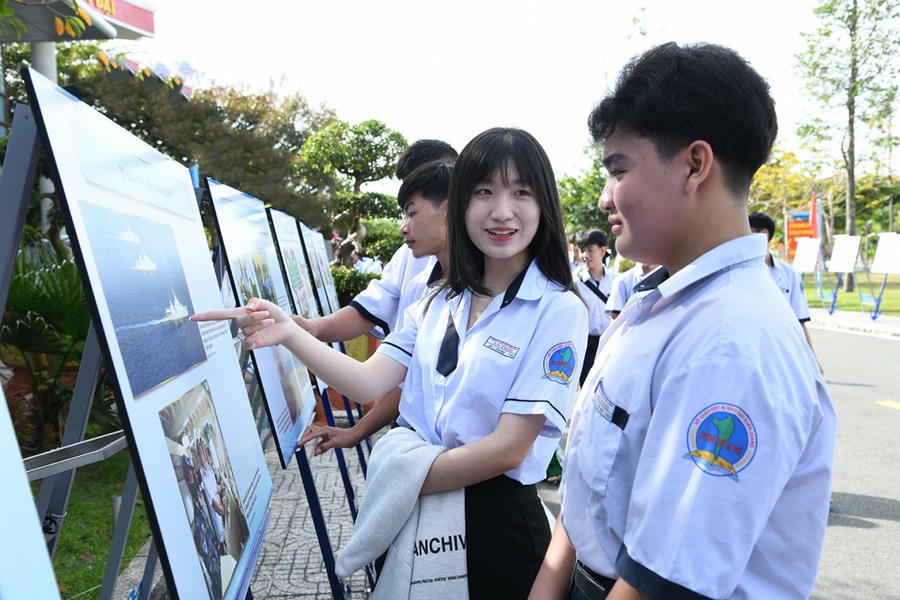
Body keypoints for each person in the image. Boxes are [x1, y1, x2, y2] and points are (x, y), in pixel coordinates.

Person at [194, 127, 588, 598]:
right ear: (462, 205)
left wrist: (401, 477)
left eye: (520, 192)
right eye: (484, 192)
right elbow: (365, 383)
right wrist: (289, 332)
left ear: (544, 204)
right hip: (418, 515)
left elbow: (509, 449)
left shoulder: (558, 309)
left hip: (494, 526)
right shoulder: (439, 299)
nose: (502, 211)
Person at [530, 43, 836, 600]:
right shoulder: (659, 304)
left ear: (695, 165)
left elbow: (664, 584)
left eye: (617, 169)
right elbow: (586, 501)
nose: (604, 199)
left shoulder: (730, 342)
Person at [296, 140, 458, 455]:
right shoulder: (426, 292)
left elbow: (506, 446)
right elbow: (388, 371)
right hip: (420, 446)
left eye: (414, 209)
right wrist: (308, 330)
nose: (403, 227)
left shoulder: (491, 293)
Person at [748, 211, 823, 372]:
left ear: (764, 234)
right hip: (751, 352)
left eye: (748, 232)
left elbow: (799, 320)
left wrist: (812, 360)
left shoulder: (788, 273)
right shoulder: (739, 273)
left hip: (783, 353)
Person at [573, 229, 616, 386]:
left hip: (609, 342)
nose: (585, 255)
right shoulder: (574, 283)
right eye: (583, 250)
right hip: (585, 344)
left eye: (590, 250)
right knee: (586, 386)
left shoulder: (616, 281)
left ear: (602, 251)